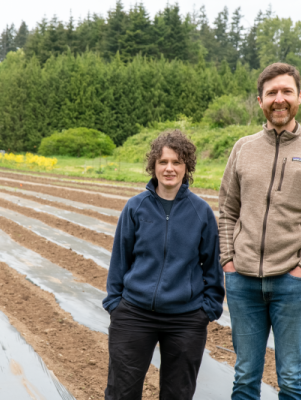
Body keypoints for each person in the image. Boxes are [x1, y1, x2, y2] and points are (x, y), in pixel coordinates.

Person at [103, 130, 225, 399]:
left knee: (177, 394)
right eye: (163, 162)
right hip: (134, 314)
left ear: (186, 167)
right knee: (121, 392)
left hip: (185, 319)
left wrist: (207, 310)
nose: (169, 168)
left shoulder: (201, 211)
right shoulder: (136, 208)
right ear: (154, 166)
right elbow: (119, 260)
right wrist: (116, 305)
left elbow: (211, 267)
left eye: (177, 162)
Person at [219, 62, 301, 399]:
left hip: (291, 281)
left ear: (298, 97)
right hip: (243, 281)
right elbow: (226, 209)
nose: (279, 99)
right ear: (260, 100)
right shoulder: (243, 148)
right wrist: (228, 260)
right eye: (271, 93)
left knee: (293, 379)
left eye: (286, 91)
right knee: (245, 377)